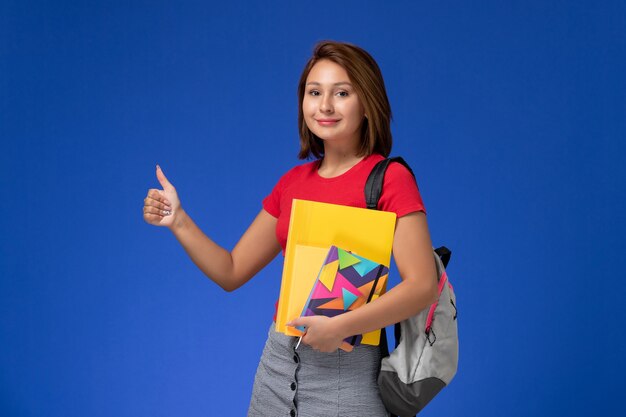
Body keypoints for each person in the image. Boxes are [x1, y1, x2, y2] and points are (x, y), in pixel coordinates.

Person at [143, 40, 439, 417]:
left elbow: (422, 286)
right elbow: (231, 271)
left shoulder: (388, 179)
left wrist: (341, 326)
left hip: (346, 372)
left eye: (342, 93)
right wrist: (179, 220)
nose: (325, 106)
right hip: (278, 367)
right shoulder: (293, 183)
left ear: (368, 103)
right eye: (314, 92)